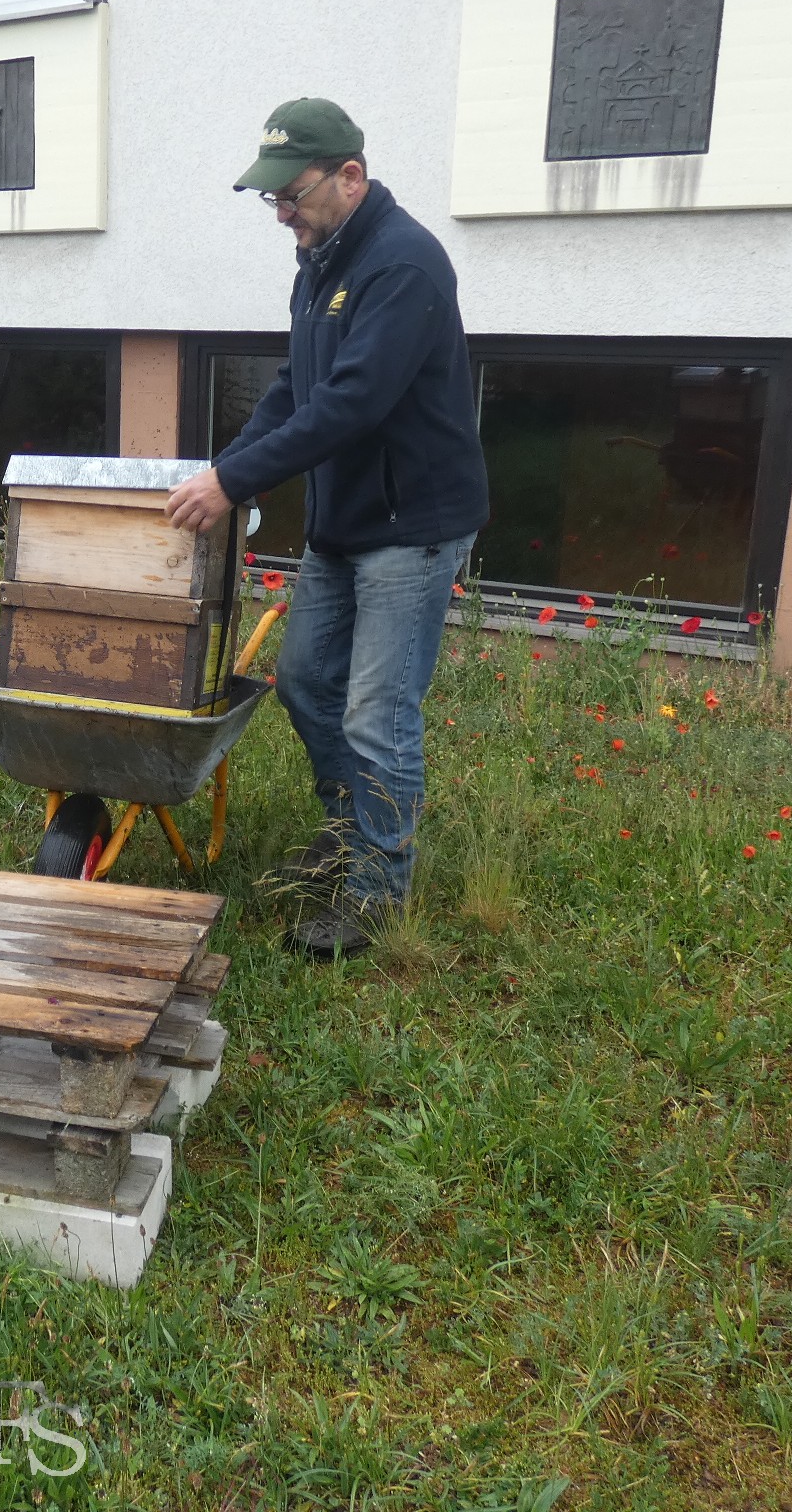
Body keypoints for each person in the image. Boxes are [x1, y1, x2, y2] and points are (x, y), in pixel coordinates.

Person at [164, 98, 487, 956]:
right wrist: (222, 470)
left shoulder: (404, 264)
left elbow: (351, 405)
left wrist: (234, 482)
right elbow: (296, 389)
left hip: (410, 527)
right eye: (270, 200)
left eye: (292, 196)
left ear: (351, 176)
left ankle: (380, 895)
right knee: (306, 685)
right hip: (345, 524)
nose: (282, 215)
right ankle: (356, 834)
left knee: (378, 712)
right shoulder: (322, 256)